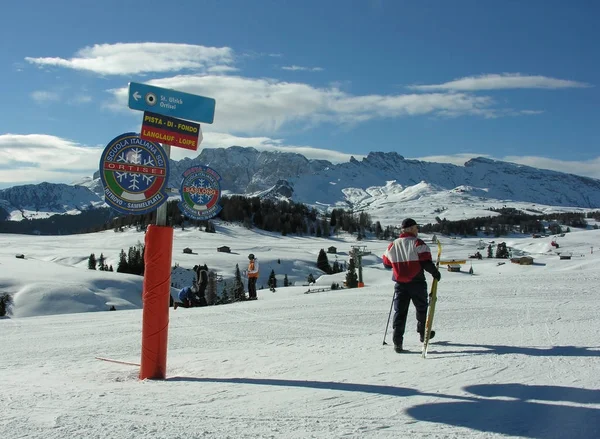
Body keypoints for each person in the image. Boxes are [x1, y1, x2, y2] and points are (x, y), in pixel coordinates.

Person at [382, 218, 441, 353]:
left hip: (400, 284)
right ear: (410, 229)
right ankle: (422, 334)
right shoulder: (418, 243)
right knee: (421, 308)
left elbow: (386, 263)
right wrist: (435, 273)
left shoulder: (392, 245)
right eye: (416, 228)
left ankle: (398, 342)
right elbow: (426, 262)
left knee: (400, 312)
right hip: (417, 282)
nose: (417, 230)